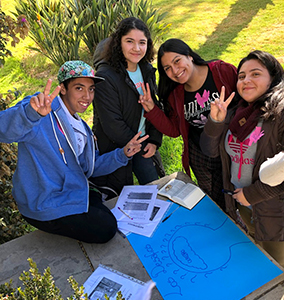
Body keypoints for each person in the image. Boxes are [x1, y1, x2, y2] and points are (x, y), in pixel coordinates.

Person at [0, 60, 148, 244]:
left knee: (107, 213)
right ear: (63, 89)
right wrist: (30, 114)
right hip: (43, 202)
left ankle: (90, 196)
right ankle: (91, 197)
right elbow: (3, 131)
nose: (87, 96)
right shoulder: (40, 111)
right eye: (79, 88)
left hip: (70, 191)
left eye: (91, 89)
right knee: (106, 228)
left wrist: (123, 154)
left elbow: (90, 167)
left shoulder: (82, 128)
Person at [200, 50, 284, 266]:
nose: (246, 80)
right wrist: (215, 122)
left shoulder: (280, 114)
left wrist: (253, 194)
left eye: (256, 74)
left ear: (273, 78)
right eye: (241, 76)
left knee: (278, 269)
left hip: (276, 213)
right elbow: (210, 151)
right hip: (246, 208)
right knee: (260, 264)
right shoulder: (237, 113)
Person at [139, 38, 237, 210]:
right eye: (167, 68)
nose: (175, 71)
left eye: (177, 61)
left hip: (233, 149)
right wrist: (152, 109)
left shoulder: (222, 72)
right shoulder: (176, 94)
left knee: (239, 196)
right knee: (216, 203)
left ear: (190, 55)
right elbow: (175, 130)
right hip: (202, 156)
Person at [91, 17, 164, 196]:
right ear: (119, 43)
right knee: (120, 201)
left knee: (157, 192)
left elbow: (154, 106)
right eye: (129, 41)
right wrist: (138, 143)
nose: (136, 48)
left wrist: (154, 140)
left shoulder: (146, 69)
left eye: (142, 42)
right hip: (116, 149)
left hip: (143, 144)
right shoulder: (106, 77)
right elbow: (112, 124)